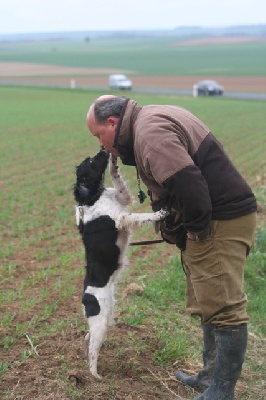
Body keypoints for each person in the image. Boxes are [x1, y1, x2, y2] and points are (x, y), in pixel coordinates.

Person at [86, 95, 257, 400]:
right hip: (218, 217)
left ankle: (222, 390)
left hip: (218, 221)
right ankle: (208, 377)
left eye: (99, 135)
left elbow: (190, 187)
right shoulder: (149, 119)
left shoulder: (149, 135)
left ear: (112, 123)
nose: (102, 146)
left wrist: (192, 230)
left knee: (224, 306)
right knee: (210, 300)